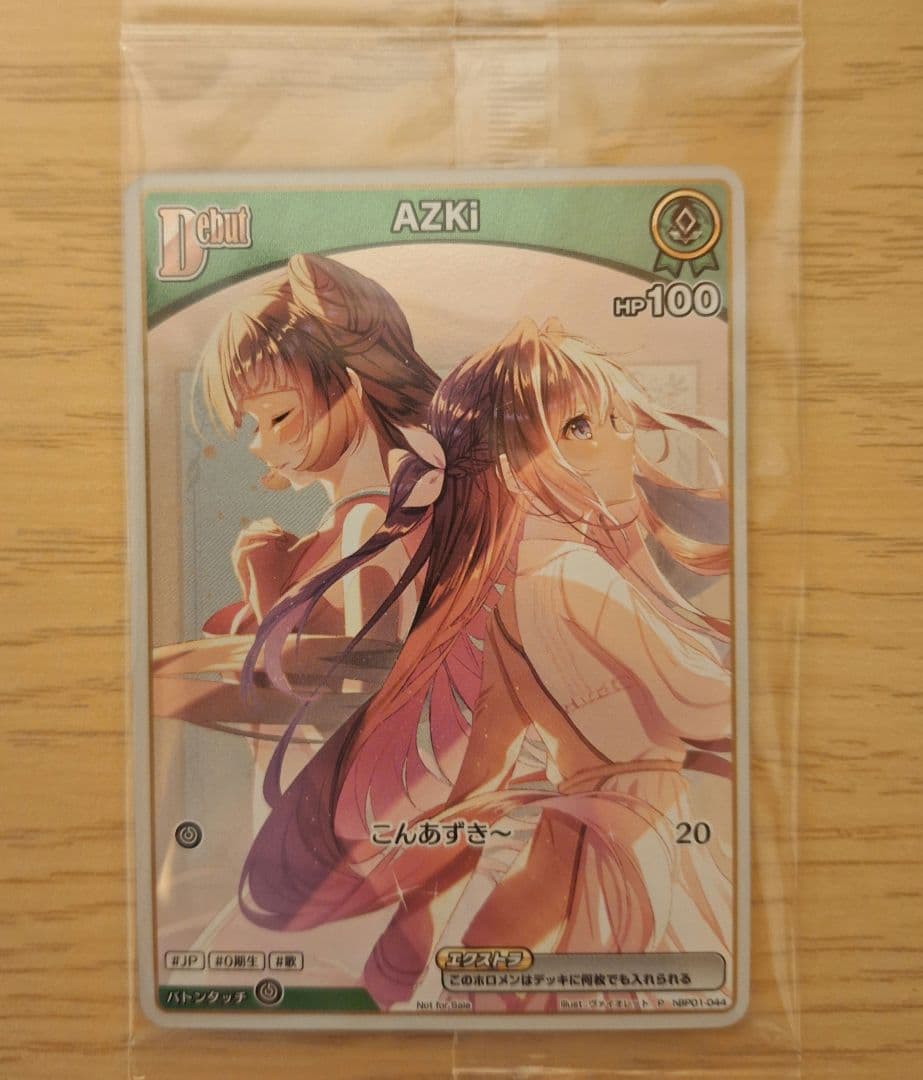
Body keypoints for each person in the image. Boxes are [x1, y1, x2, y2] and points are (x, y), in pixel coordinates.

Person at [239, 318, 734, 1010]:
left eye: (619, 421)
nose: (623, 442)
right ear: (512, 464)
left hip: (579, 834)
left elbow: (483, 755)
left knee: (510, 989)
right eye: (582, 427)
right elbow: (705, 708)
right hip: (628, 838)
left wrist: (428, 862)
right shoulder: (576, 578)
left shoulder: (509, 587)